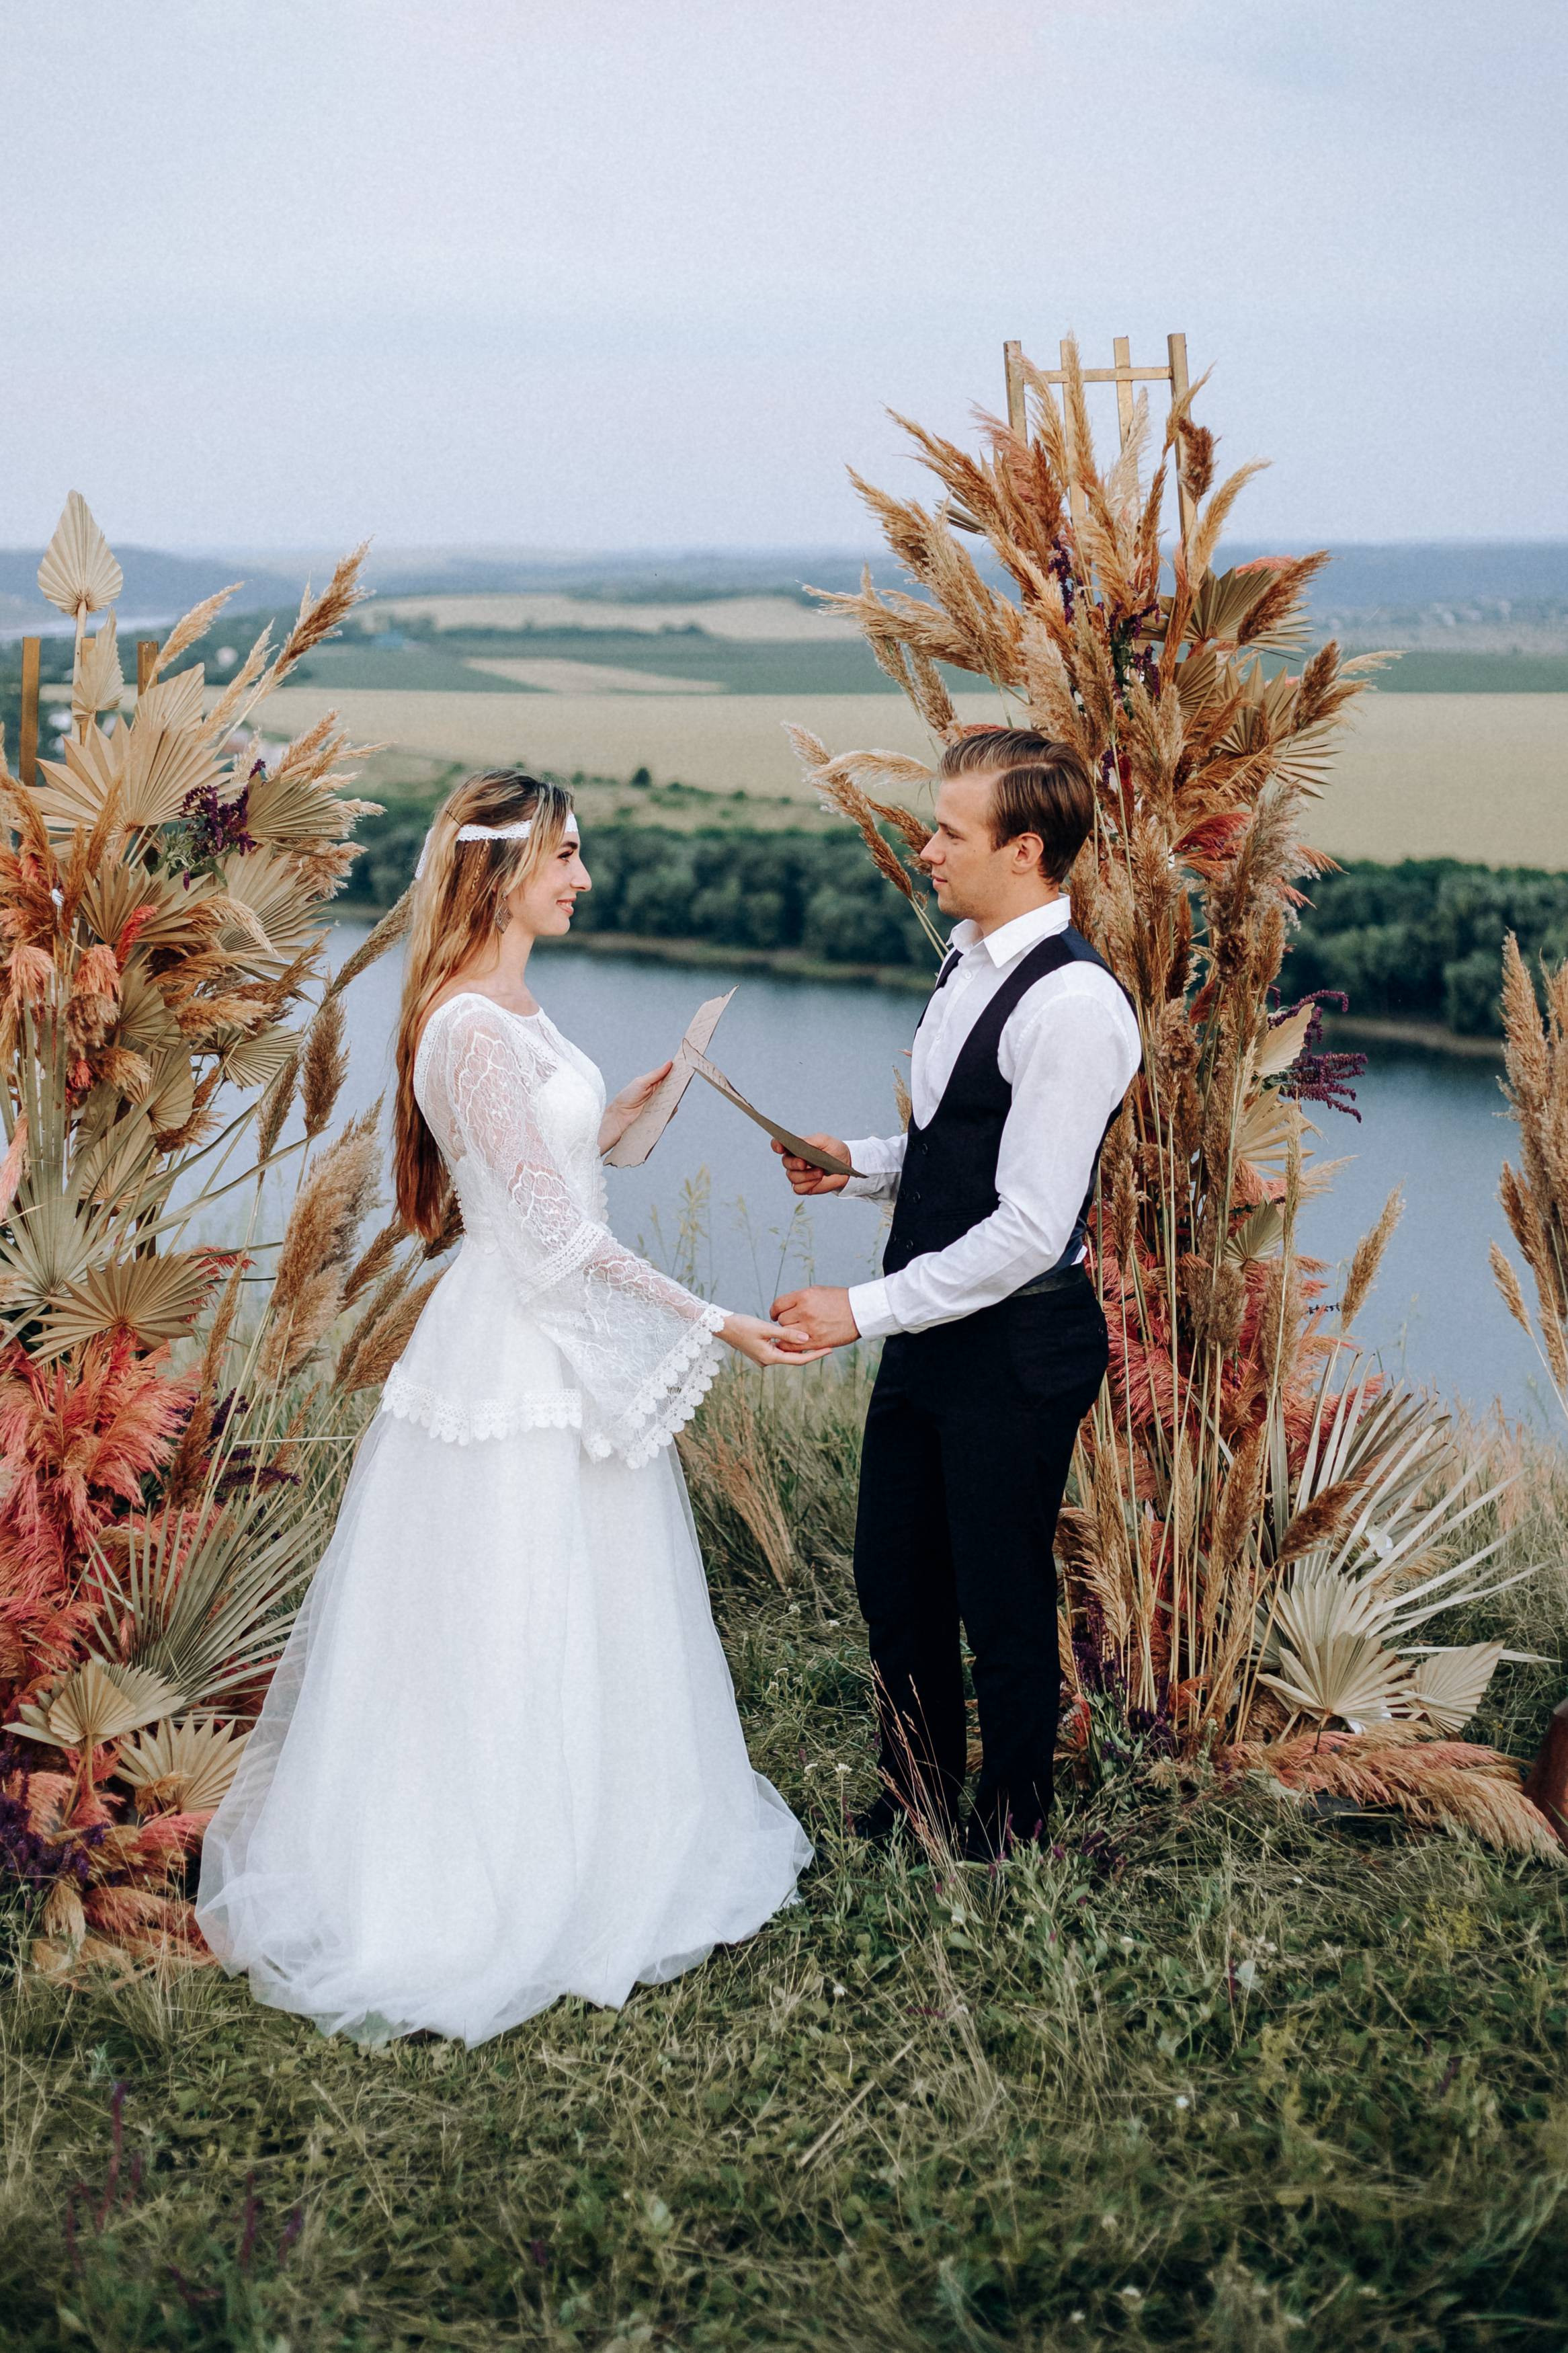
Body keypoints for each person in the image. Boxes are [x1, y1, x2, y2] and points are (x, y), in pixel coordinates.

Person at [198, 770, 818, 2045]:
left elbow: (561, 1173)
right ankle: (481, 1874)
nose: (583, 876)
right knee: (505, 1589)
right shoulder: (470, 1028)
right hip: (512, 1343)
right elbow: (548, 1236)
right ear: (499, 870)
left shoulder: (514, 1007)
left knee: (588, 1585)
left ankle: (592, 1826)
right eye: (565, 854)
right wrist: (710, 1317)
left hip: (548, 1324)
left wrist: (632, 1107)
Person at [770, 730, 1140, 1861]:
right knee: (897, 1580)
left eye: (947, 832)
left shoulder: (1072, 1006)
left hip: (1018, 1343)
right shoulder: (966, 960)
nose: (925, 850)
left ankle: (1009, 1831)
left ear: (1024, 850)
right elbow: (957, 1147)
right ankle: (917, 1805)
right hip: (936, 1328)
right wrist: (857, 1165)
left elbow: (1029, 1228)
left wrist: (860, 1309)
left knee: (999, 1595)